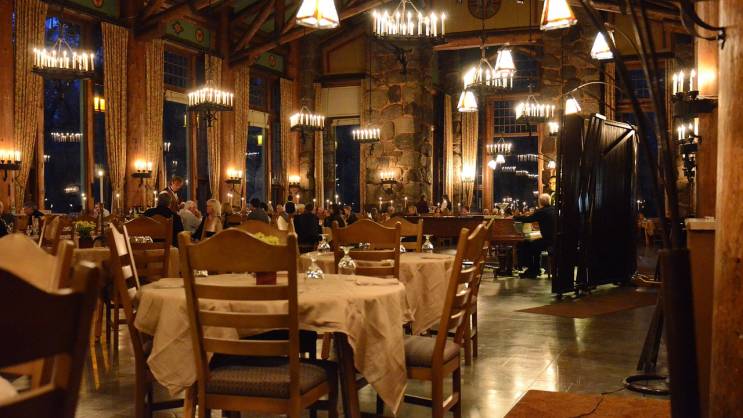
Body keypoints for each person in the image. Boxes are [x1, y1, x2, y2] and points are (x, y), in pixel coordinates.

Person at [514, 193, 556, 278]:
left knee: (526, 245)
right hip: (555, 240)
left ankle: (532, 270)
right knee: (535, 246)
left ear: (540, 202)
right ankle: (536, 269)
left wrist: (515, 217)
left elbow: (529, 219)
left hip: (548, 241)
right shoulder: (554, 209)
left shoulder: (541, 212)